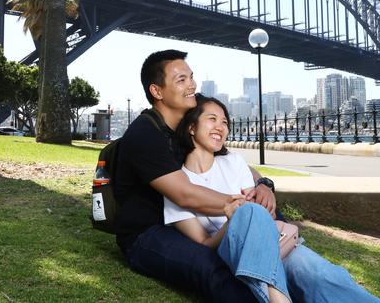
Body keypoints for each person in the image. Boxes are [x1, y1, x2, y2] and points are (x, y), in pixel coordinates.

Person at [164, 94, 380, 303]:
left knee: (323, 274)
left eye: (224, 122)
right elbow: (204, 244)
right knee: (247, 212)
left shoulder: (234, 162)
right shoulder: (177, 185)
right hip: (233, 253)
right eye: (212, 119)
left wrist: (260, 202)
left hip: (274, 243)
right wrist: (232, 221)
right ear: (192, 127)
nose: (220, 127)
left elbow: (263, 214)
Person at [114, 50, 274, 302]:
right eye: (181, 80)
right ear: (157, 92)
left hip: (186, 223)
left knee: (268, 233)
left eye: (191, 77)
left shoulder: (183, 126)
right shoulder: (145, 134)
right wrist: (244, 207)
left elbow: (226, 157)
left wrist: (263, 185)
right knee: (211, 268)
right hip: (148, 233)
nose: (192, 85)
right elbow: (185, 195)